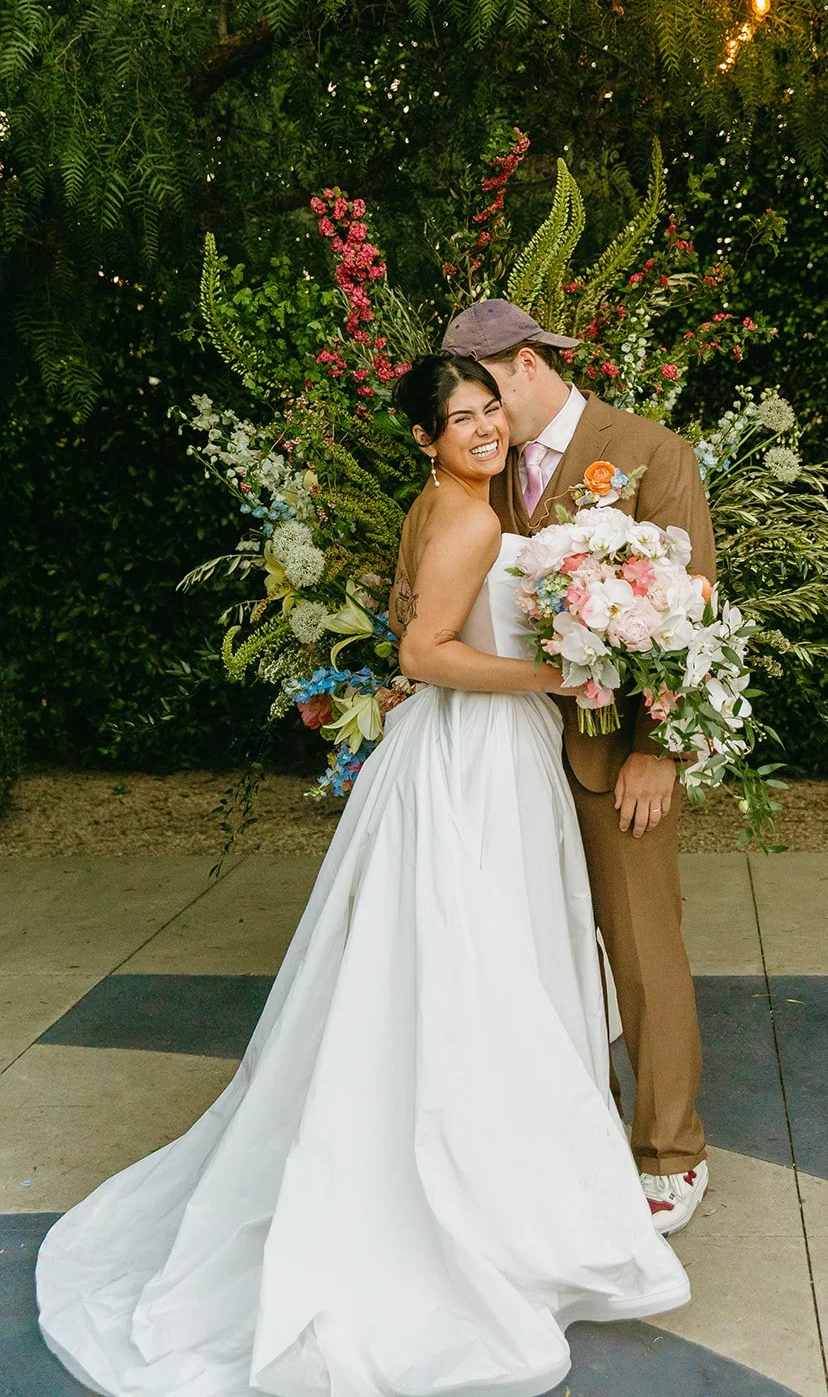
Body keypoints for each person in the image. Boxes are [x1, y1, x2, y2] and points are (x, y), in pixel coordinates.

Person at [36, 353, 689, 1397]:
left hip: (461, 751)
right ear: (425, 439)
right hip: (476, 754)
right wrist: (554, 671)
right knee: (483, 960)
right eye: (458, 419)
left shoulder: (439, 505)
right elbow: (425, 652)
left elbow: (402, 624)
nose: (481, 428)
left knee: (455, 959)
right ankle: (489, 1201)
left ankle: (489, 1170)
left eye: (488, 410)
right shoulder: (471, 517)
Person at [442, 300, 716, 1237]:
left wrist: (658, 750)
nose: (474, 416)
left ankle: (671, 1154)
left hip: (614, 760)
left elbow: (694, 617)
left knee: (641, 952)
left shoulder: (648, 451)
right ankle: (572, 1136)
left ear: (522, 365)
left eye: (483, 393)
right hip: (505, 756)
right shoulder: (480, 467)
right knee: (532, 953)